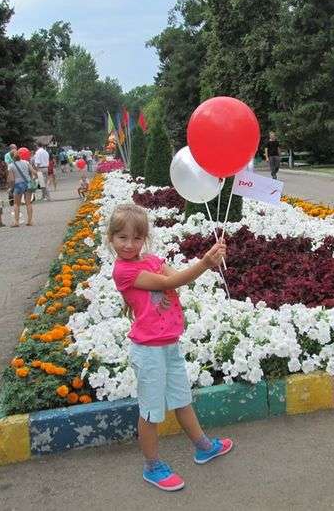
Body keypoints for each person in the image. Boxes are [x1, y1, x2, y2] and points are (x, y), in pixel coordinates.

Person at [108, 204, 233, 492]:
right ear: (110, 238)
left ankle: (203, 446)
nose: (129, 244)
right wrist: (205, 263)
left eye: (136, 238)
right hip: (148, 350)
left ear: (145, 239)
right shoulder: (123, 271)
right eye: (122, 237)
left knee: (182, 400)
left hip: (169, 343)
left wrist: (210, 260)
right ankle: (152, 467)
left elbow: (179, 277)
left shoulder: (152, 260)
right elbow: (169, 281)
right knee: (151, 412)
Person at [7, 149, 36, 227]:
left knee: (16, 204)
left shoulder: (11, 166)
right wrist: (32, 179)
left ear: (11, 157)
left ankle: (16, 222)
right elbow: (34, 172)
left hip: (18, 185)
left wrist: (11, 188)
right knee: (28, 203)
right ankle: (30, 221)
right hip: (28, 184)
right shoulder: (26, 162)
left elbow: (12, 179)